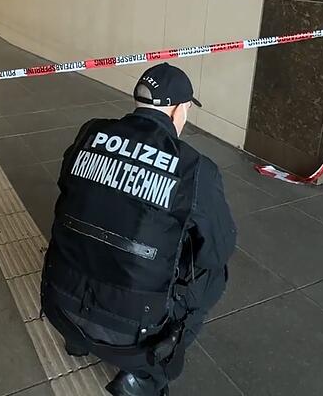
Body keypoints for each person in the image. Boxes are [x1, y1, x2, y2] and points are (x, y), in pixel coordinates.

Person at [41, 63, 236, 396]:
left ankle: (77, 340)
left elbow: (67, 186)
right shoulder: (195, 168)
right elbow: (217, 250)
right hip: (130, 328)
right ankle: (145, 377)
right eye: (186, 110)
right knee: (216, 275)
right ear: (177, 110)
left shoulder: (90, 132)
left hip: (58, 300)